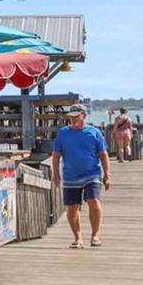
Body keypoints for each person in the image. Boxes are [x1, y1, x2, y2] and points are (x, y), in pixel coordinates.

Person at [50, 103, 110, 249]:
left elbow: (103, 154)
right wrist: (56, 175)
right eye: (71, 117)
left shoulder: (94, 132)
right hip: (70, 175)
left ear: (84, 116)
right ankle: (78, 238)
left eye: (76, 116)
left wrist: (107, 175)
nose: (73, 119)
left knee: (93, 200)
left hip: (92, 173)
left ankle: (95, 235)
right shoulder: (63, 133)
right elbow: (56, 155)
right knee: (72, 207)